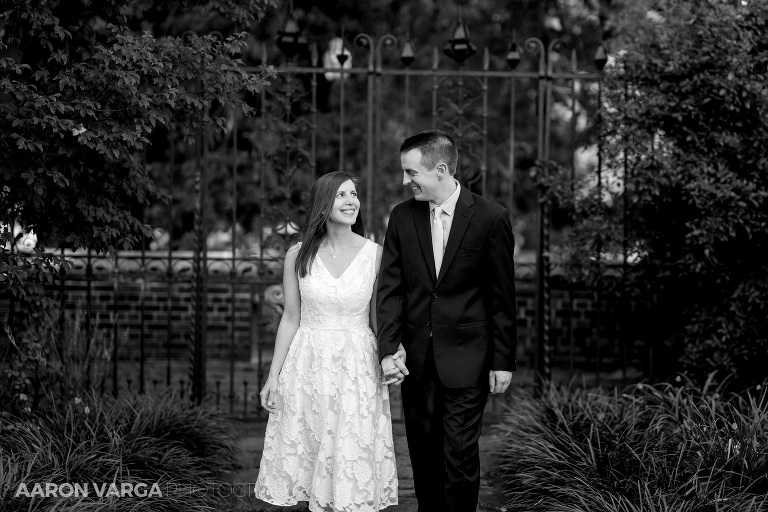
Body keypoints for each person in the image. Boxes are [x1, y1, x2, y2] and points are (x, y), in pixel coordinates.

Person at [377, 130, 517, 512]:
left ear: (440, 169)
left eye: (412, 172)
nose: (406, 182)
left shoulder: (490, 218)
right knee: (423, 455)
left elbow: (503, 298)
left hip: (468, 358)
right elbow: (390, 290)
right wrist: (389, 347)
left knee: (458, 455)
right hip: (417, 362)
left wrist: (503, 360)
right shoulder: (402, 217)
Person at [255, 171, 401, 512]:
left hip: (356, 364)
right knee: (310, 445)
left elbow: (382, 317)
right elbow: (290, 317)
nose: (351, 202)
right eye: (341, 195)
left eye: (353, 195)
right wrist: (273, 375)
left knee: (351, 448)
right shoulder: (298, 254)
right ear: (324, 202)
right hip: (307, 361)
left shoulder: (375, 255)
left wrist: (392, 354)